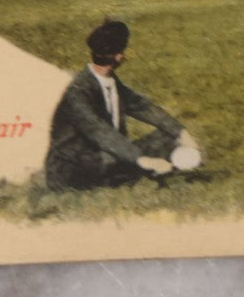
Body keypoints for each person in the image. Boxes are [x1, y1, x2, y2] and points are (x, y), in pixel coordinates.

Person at [44, 19, 200, 193]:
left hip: (105, 155)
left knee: (169, 138)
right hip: (71, 168)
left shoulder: (111, 82)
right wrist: (143, 160)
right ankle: (136, 174)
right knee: (113, 159)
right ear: (118, 56)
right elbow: (101, 133)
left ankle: (134, 174)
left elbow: (143, 107)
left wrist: (182, 133)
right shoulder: (77, 92)